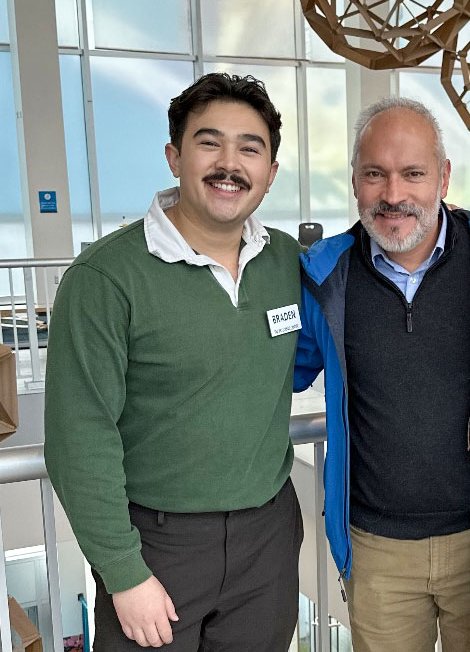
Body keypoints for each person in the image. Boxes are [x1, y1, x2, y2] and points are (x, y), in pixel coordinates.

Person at [44, 73, 303, 652]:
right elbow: (79, 437)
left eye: (250, 148)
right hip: (157, 545)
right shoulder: (105, 278)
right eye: (209, 142)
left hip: (268, 536)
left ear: (270, 173)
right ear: (174, 156)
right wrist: (122, 570)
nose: (229, 164)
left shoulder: (285, 260)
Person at [294, 97, 470, 652]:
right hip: (377, 552)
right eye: (375, 174)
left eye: (413, 173)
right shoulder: (325, 277)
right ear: (354, 181)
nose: (394, 195)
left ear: (444, 178)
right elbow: (275, 372)